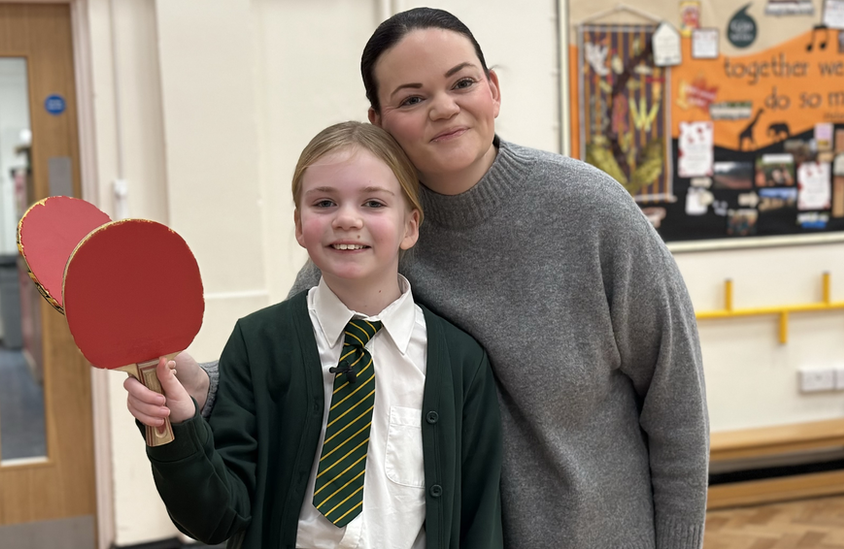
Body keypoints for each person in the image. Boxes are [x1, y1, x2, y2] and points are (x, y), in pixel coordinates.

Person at [129, 7, 709, 548]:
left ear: (493, 91)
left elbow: (676, 404)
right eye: (412, 97)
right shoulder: (371, 234)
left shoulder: (593, 211)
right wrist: (206, 386)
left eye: (462, 83)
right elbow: (298, 356)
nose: (444, 107)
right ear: (379, 122)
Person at [129, 121, 503, 549]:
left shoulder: (460, 362)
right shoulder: (258, 343)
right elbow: (216, 518)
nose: (346, 219)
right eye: (324, 202)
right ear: (299, 224)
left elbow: (480, 520)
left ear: (410, 226)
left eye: (373, 203)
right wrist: (179, 428)